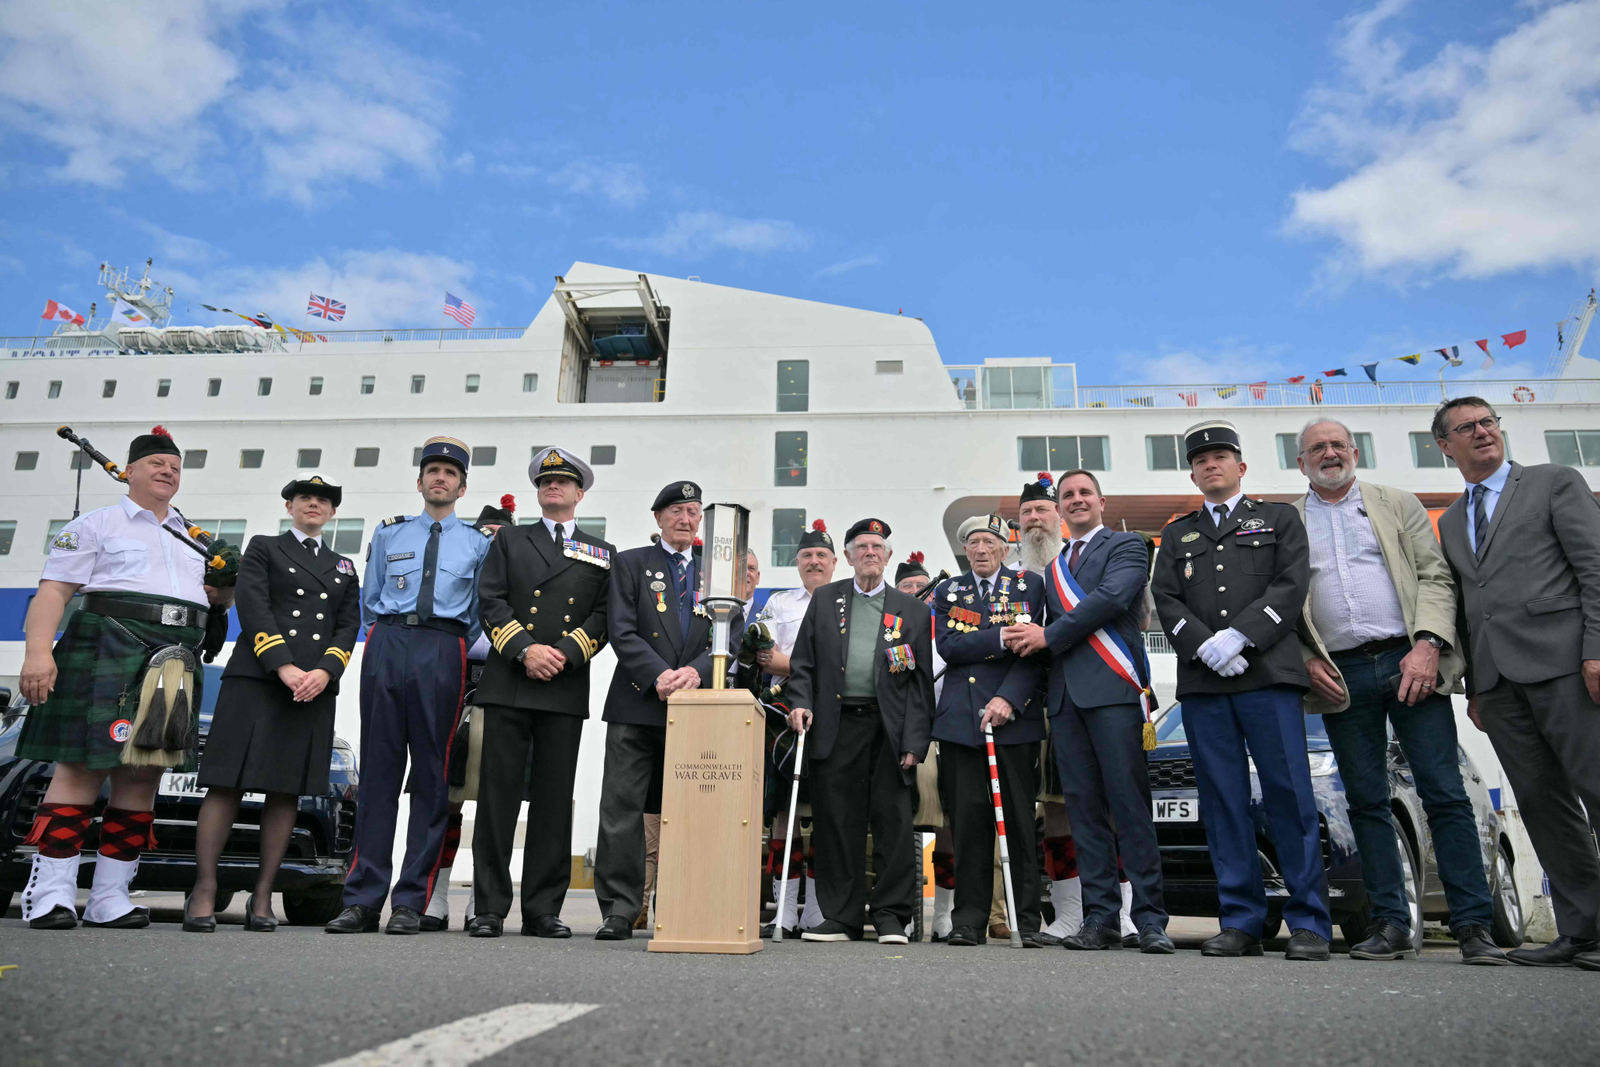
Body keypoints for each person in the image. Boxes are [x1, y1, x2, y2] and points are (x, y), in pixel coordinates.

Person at [1291, 418, 1507, 964]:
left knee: (1443, 793)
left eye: (1339, 444)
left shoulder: (1397, 502)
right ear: (1301, 462)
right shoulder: (1288, 521)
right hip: (1339, 674)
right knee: (1366, 801)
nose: (1330, 453)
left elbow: (1436, 577)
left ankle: (1473, 926)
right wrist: (1306, 659)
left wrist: (1429, 643)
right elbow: (1286, 607)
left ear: (1355, 450)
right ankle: (1389, 923)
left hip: (1409, 660)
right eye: (1318, 447)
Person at [18, 426, 233, 930]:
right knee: (80, 769)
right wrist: (37, 654)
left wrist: (225, 588)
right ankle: (50, 894)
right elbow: (53, 592)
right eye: (157, 464)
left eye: (175, 468)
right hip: (106, 644)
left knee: (142, 774)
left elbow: (211, 601)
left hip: (175, 656)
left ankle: (109, 897)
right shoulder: (97, 525)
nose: (167, 472)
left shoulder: (191, 534)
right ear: (130, 470)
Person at [1150, 420, 1332, 961]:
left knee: (1288, 797)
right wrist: (1206, 645)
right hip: (1206, 684)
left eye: (1221, 456)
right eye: (1201, 458)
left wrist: (1240, 637)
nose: (1211, 464)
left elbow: (1291, 583)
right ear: (1193, 471)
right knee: (1222, 802)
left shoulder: (1278, 519)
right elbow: (1166, 598)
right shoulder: (1178, 534)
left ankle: (1309, 923)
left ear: (1240, 467)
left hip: (1268, 677)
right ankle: (1242, 921)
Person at [1431, 398, 1600, 970]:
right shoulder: (1452, 520)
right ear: (1445, 446)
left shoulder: (1554, 482)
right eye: (1467, 428)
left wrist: (1598, 651)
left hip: (1568, 666)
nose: (1482, 432)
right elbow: (1467, 607)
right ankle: (1584, 932)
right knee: (1544, 806)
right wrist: (1476, 686)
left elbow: (1595, 568)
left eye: (1488, 423)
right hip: (1499, 685)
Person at [326, 437, 493, 935]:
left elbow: (479, 613)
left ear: (463, 486)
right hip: (387, 643)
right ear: (419, 481)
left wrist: (446, 645)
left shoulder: (478, 543)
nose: (440, 478)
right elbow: (373, 597)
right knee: (378, 773)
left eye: (449, 472)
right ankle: (361, 899)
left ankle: (410, 901)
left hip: (443, 648)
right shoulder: (388, 534)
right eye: (432, 471)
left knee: (431, 778)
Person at [1005, 471, 1171, 953]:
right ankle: (1101, 918)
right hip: (1066, 700)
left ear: (1101, 501)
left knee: (1129, 808)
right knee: (1084, 813)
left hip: (1115, 691)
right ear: (1058, 508)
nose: (1076, 501)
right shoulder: (1052, 566)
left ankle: (1150, 918)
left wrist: (1047, 636)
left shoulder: (1128, 546)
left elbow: (1113, 598)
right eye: (1067, 496)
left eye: (1084, 493)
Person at [186, 475, 361, 932]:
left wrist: (325, 671)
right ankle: (204, 889)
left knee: (286, 791)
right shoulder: (264, 547)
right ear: (289, 506)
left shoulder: (344, 566)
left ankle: (263, 896)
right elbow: (253, 605)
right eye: (305, 498)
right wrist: (283, 666)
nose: (314, 505)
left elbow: (348, 625)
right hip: (258, 680)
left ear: (332, 512)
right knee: (227, 784)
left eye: (323, 500)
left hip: (314, 689)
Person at [469, 448, 613, 939]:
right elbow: (490, 599)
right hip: (510, 679)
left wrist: (566, 654)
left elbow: (604, 616)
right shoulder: (510, 540)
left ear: (580, 493)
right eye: (546, 481)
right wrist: (527, 650)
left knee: (554, 802)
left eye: (563, 482)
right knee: (497, 799)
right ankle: (487, 908)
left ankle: (542, 911)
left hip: (564, 686)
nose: (554, 487)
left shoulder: (601, 551)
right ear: (538, 491)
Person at [592, 480, 737, 940]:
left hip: (696, 706)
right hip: (637, 700)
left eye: (693, 511)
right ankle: (620, 908)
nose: (685, 518)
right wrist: (659, 675)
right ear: (658, 518)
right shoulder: (632, 562)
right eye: (675, 510)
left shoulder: (718, 572)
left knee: (692, 810)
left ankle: (682, 903)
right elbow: (621, 628)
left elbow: (728, 634)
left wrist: (694, 673)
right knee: (623, 809)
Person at [784, 518, 935, 944]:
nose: (870, 552)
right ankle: (841, 918)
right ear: (847, 557)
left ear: (888, 557)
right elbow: (804, 664)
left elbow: (919, 682)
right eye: (861, 546)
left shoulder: (913, 611)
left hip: (890, 730)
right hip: (837, 725)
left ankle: (891, 917)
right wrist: (800, 703)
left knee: (893, 824)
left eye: (877, 546)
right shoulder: (827, 599)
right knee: (837, 823)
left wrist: (915, 741)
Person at [930, 514, 1046, 946]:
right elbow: (949, 646)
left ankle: (1026, 920)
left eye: (988, 542)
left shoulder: (1029, 587)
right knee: (969, 822)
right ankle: (968, 920)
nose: (980, 549)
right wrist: (1000, 637)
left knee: (1018, 821)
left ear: (1004, 549)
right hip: (961, 722)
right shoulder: (949, 590)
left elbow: (1034, 652)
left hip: (1013, 719)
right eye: (973, 542)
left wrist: (1009, 699)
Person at [419, 493, 520, 932]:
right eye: (488, 536)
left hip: (501, 691)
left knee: (498, 802)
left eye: (502, 538)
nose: (493, 544)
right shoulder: (456, 582)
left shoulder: (516, 590)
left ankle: (484, 897)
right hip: (453, 689)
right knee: (446, 801)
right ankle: (435, 895)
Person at [752, 519, 838, 937]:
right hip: (783, 714)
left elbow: (844, 666)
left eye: (822, 555)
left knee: (824, 811)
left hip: (833, 713)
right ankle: (784, 909)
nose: (814, 561)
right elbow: (761, 654)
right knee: (784, 812)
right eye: (806, 556)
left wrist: (790, 664)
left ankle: (817, 909)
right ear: (797, 563)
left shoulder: (847, 602)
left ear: (835, 562)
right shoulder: (778, 604)